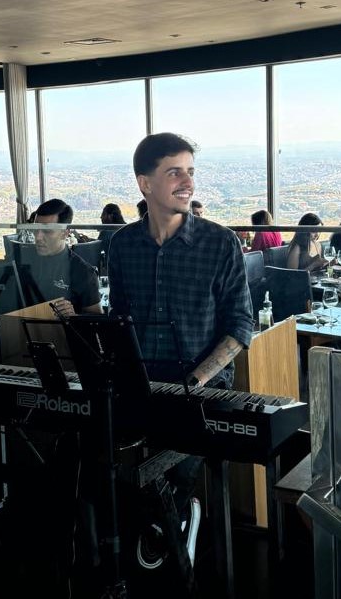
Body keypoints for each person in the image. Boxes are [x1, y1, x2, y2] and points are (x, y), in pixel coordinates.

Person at [108, 132, 252, 552]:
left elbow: (241, 324)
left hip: (198, 388)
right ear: (145, 183)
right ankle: (152, 537)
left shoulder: (220, 242)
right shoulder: (122, 245)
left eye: (190, 172)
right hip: (140, 383)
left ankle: (175, 528)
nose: (187, 182)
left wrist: (199, 377)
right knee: (101, 467)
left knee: (167, 473)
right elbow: (120, 319)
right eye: (174, 173)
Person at [22, 198, 101, 316]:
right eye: (36, 229)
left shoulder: (83, 272)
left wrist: (74, 316)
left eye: (47, 231)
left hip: (64, 333)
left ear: (65, 233)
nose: (38, 237)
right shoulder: (25, 261)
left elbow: (97, 319)